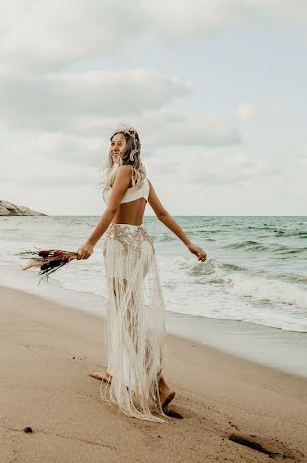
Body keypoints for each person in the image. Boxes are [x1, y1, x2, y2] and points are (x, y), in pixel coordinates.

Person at [76, 125, 207, 422]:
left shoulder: (125, 172)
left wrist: (89, 243)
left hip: (123, 248)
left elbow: (110, 213)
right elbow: (161, 214)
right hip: (139, 246)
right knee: (125, 310)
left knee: (128, 316)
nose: (113, 147)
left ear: (131, 146)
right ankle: (116, 370)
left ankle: (160, 384)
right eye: (111, 143)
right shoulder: (142, 177)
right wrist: (188, 242)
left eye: (119, 143)